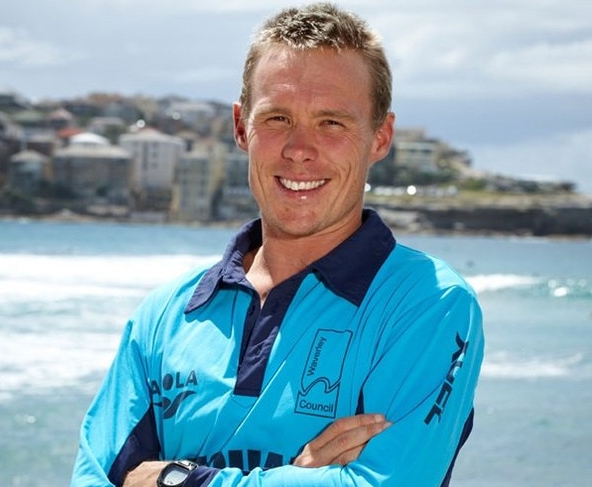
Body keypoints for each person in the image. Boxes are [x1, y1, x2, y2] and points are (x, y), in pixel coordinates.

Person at [71, 3, 484, 486]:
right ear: (241, 126)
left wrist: (180, 479)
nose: (300, 149)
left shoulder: (428, 304)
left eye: (332, 122)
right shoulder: (165, 315)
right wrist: (299, 476)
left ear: (380, 136)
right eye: (277, 118)